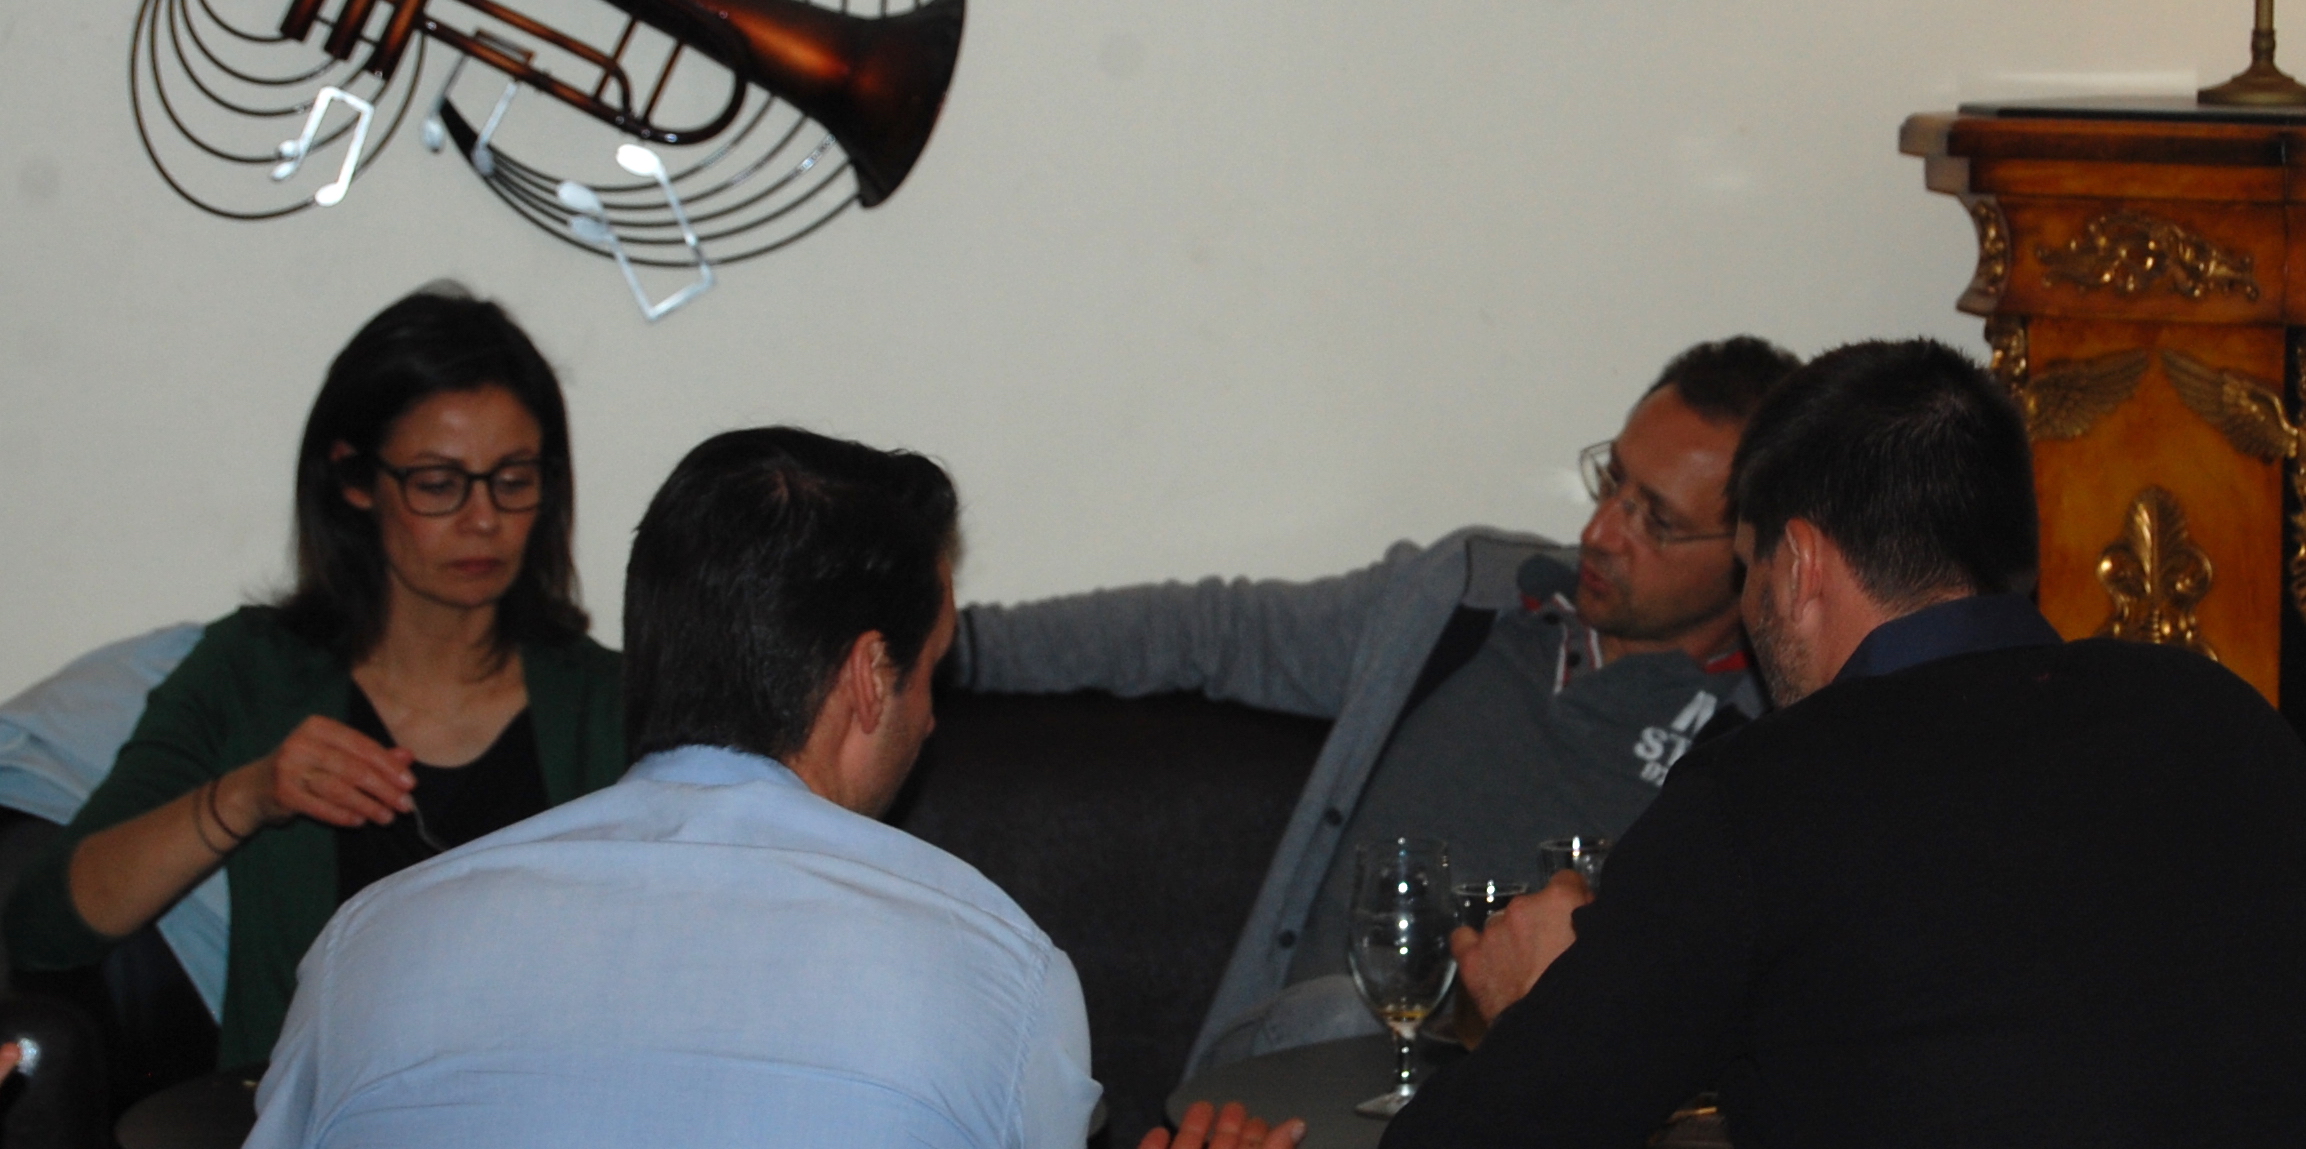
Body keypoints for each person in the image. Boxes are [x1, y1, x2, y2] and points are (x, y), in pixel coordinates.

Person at [1382, 339, 2306, 1148]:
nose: (1750, 604)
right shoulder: (2225, 717)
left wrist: (1538, 1011)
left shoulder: (1761, 798)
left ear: (1799, 564)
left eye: (1749, 565)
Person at [244, 427, 1103, 1148]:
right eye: (929, 672)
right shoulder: (1002, 974)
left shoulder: (369, 945)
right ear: (871, 676)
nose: (931, 718)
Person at [953, 337, 1799, 1069]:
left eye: (1656, 521)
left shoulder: (1766, 745)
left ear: (1750, 546)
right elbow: (1211, 632)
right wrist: (949, 646)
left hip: (1522, 1107)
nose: (1601, 531)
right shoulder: (1463, 601)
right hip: (1285, 1084)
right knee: (1334, 1012)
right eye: (1612, 481)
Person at [2, 286, 625, 1069]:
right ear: (354, 478)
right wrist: (246, 797)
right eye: (439, 483)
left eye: (514, 478)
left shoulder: (610, 701)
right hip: (315, 1106)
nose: (483, 519)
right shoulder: (254, 671)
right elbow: (47, 927)